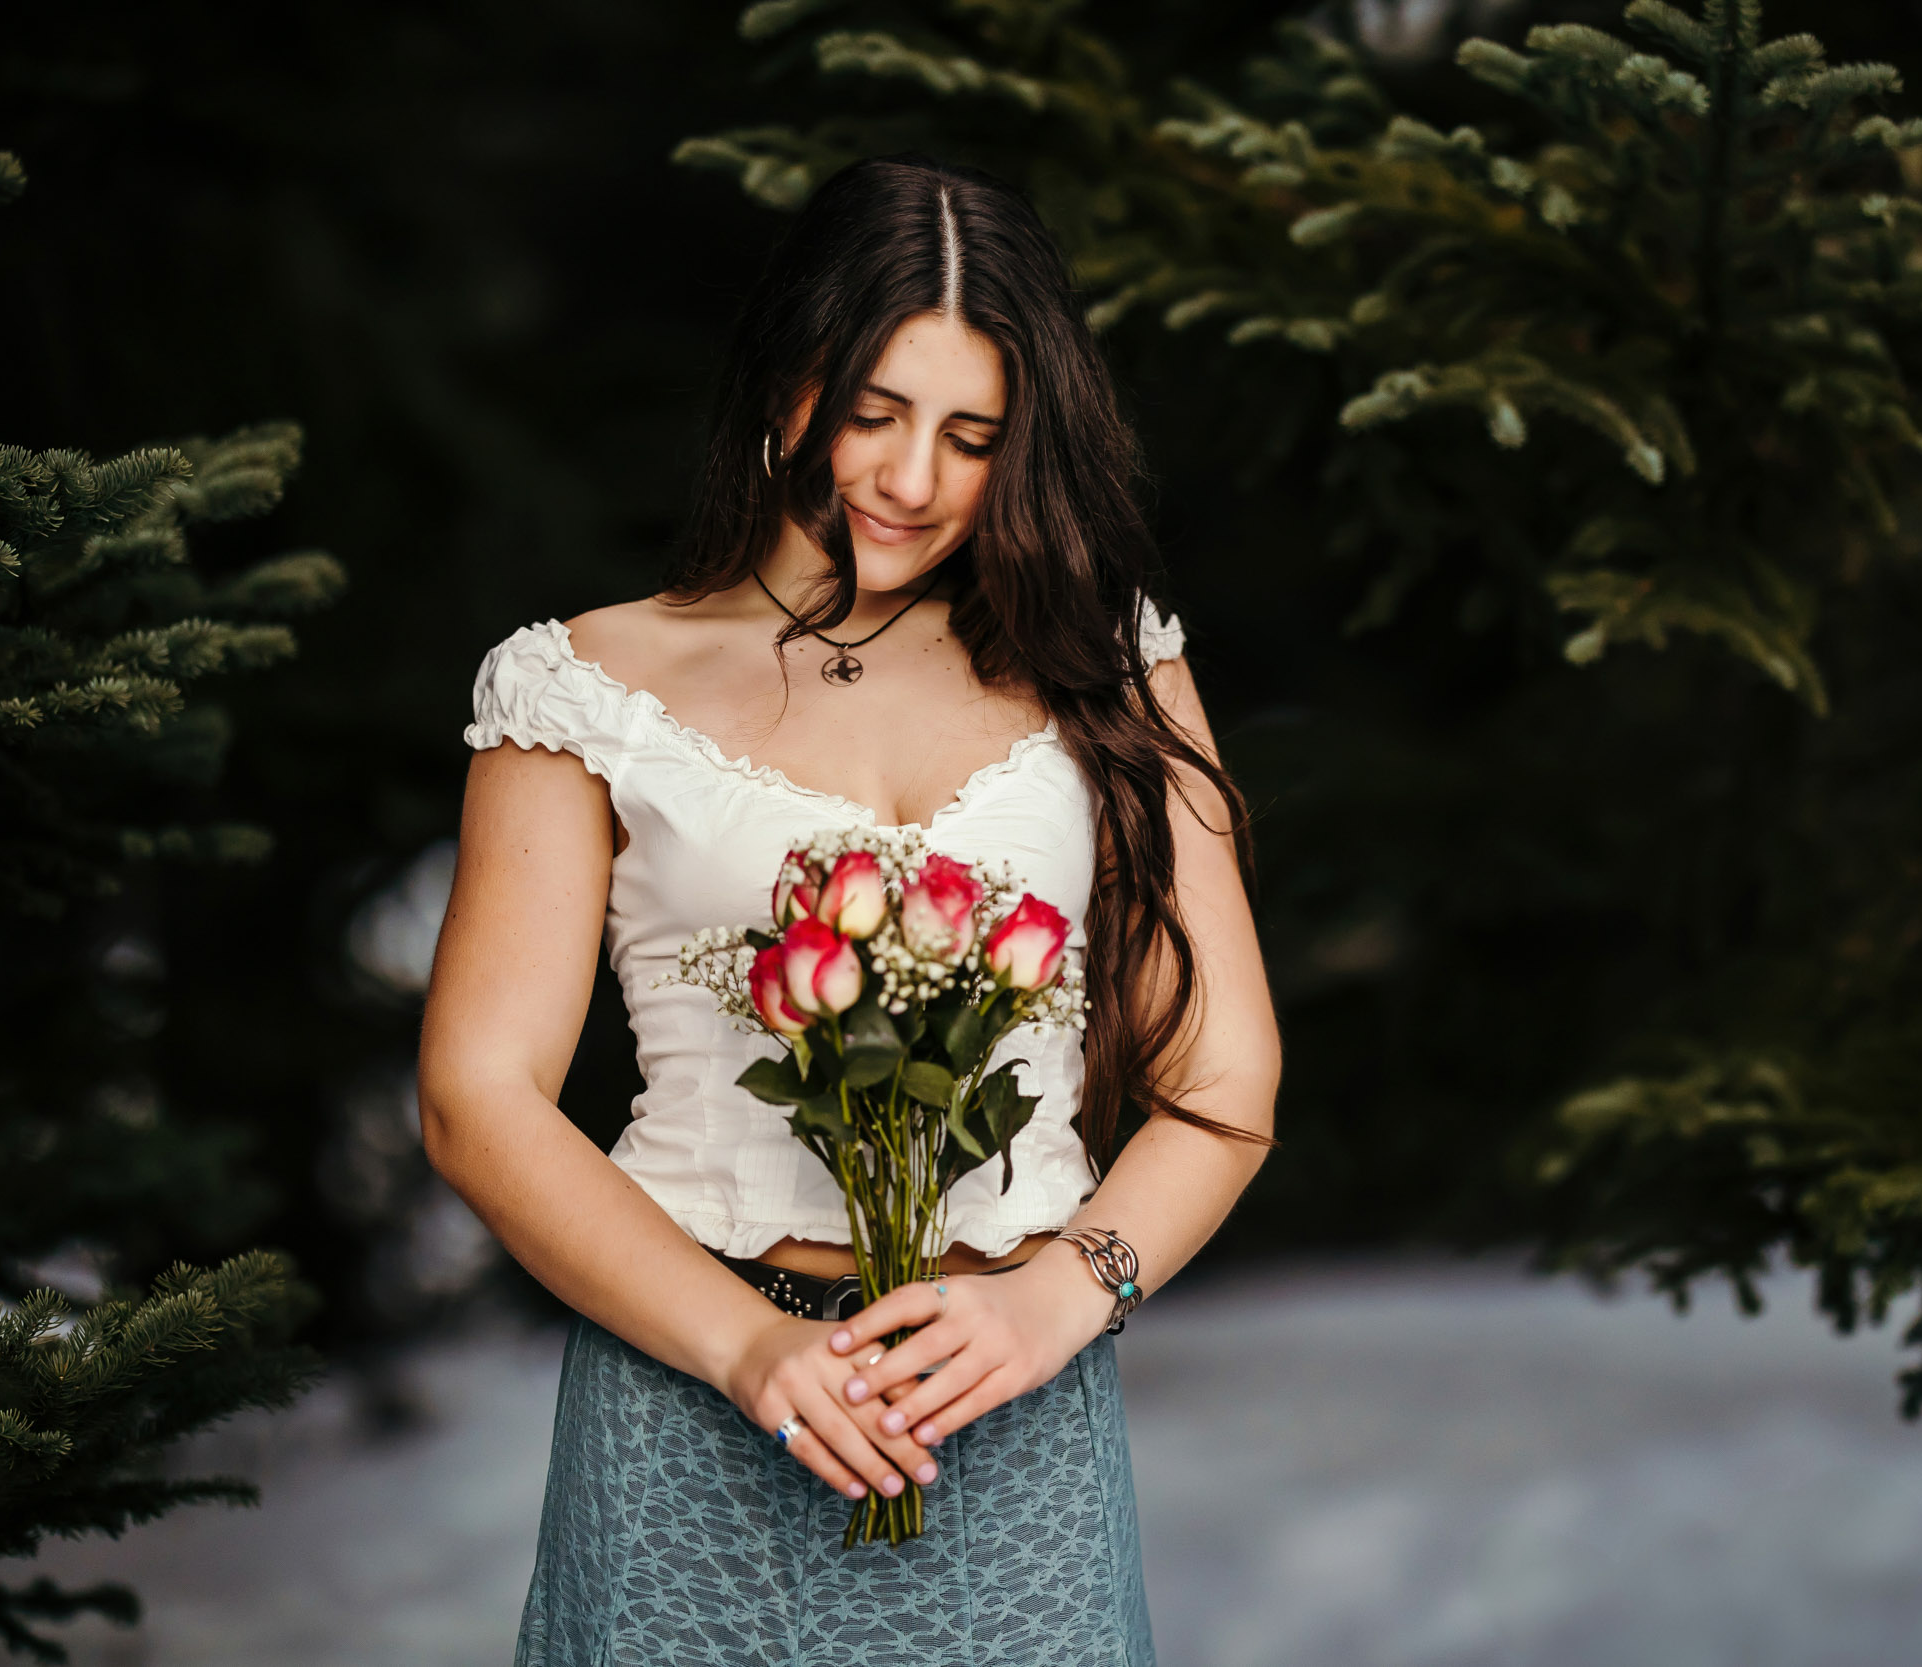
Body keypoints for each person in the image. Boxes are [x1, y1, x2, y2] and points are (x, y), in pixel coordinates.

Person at [417, 153, 1281, 1666]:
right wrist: (748, 1348)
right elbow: (477, 1100)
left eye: (971, 436)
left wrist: (1061, 1299)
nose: (910, 479)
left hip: (1010, 1412)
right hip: (686, 1397)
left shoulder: (1107, 663)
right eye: (873, 413)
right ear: (785, 380)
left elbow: (1224, 1090)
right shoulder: (581, 687)